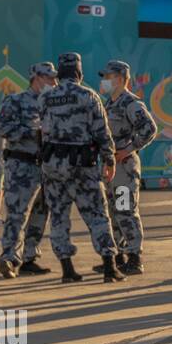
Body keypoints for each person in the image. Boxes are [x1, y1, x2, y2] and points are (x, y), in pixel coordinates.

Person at [39, 52, 120, 284]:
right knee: (97, 214)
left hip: (53, 166)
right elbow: (102, 132)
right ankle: (109, 268)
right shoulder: (88, 96)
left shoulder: (45, 98)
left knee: (58, 217)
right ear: (79, 72)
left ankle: (67, 270)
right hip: (82, 167)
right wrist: (110, 159)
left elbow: (42, 130)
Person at [98, 61, 158, 275]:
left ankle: (135, 258)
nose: (104, 80)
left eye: (108, 76)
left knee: (125, 210)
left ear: (122, 79)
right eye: (103, 76)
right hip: (110, 167)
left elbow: (150, 129)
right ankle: (118, 256)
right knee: (113, 212)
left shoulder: (130, 103)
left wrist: (128, 149)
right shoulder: (109, 103)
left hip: (124, 168)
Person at [0, 62, 55, 279]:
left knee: (41, 213)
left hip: (46, 167)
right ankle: (9, 257)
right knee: (16, 214)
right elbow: (3, 128)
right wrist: (34, 132)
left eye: (54, 78)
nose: (53, 82)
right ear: (36, 77)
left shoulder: (52, 104)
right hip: (21, 166)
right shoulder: (16, 101)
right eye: (49, 78)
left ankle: (29, 258)